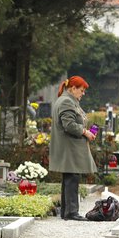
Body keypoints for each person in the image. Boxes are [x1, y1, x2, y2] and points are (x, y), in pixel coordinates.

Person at [49, 75, 97, 221]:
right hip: (69, 147)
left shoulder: (69, 100)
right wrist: (85, 132)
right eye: (81, 90)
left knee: (70, 179)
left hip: (70, 147)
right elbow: (69, 125)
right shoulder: (66, 102)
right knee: (72, 179)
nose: (83, 93)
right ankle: (71, 212)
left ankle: (67, 211)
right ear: (73, 88)